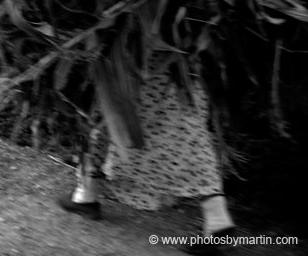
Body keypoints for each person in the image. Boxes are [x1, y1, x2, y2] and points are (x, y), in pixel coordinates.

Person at [57, 57, 236, 255]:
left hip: (139, 68)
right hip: (185, 71)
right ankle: (218, 220)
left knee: (99, 123)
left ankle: (85, 195)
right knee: (189, 136)